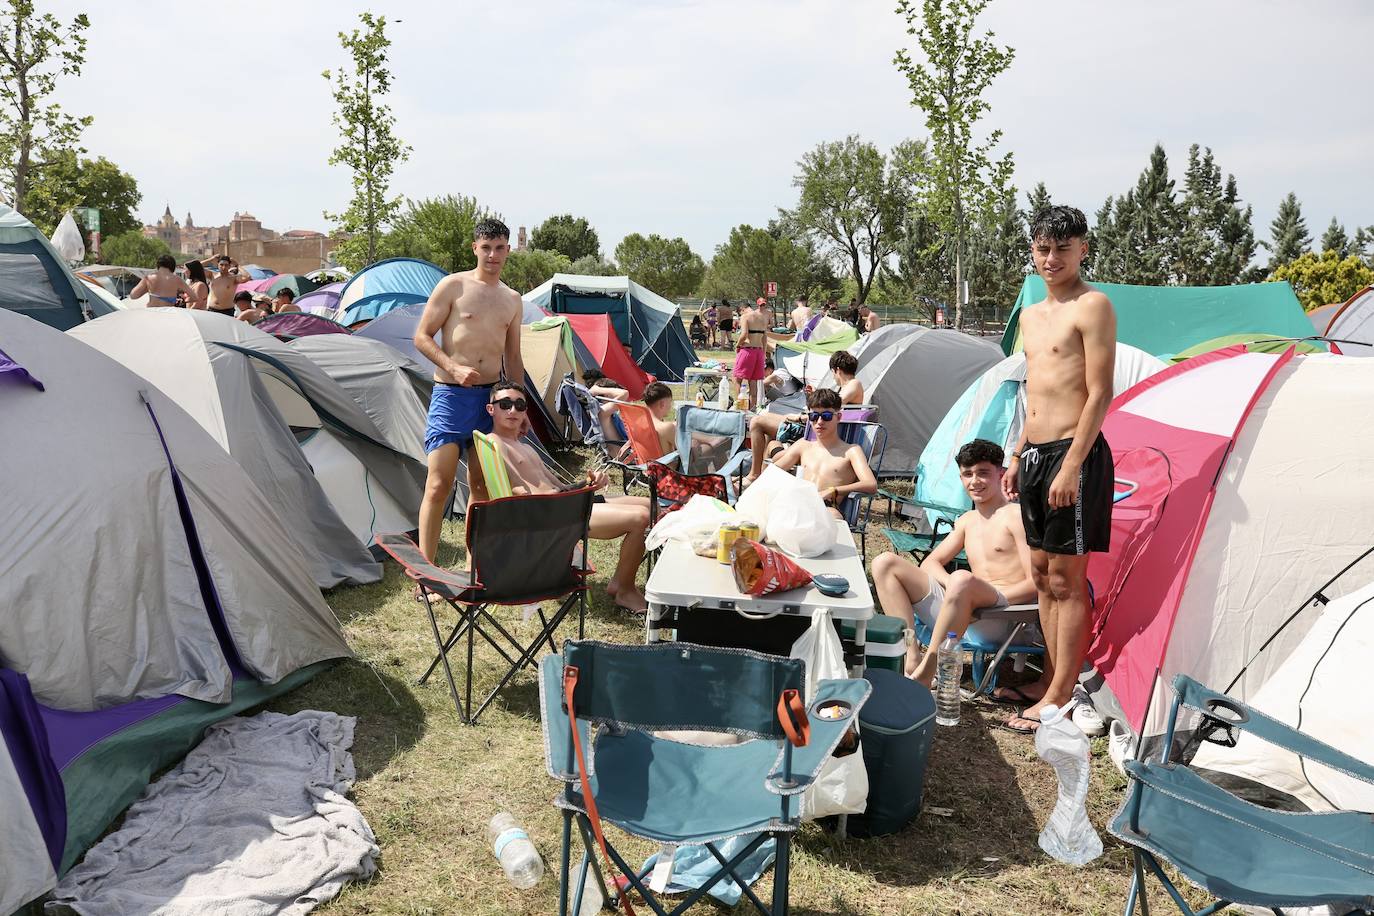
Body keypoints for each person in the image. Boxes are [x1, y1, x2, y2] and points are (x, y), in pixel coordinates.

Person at [1000, 205, 1117, 735]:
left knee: (1069, 581)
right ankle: (1050, 679)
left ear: (1083, 249)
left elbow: (1098, 393)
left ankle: (1061, 696)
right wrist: (1016, 451)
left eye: (1062, 249)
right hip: (1034, 454)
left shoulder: (1093, 307)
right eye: (1043, 249)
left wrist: (1071, 465)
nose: (1051, 259)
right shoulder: (1030, 313)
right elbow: (1037, 390)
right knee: (1044, 576)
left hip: (1076, 454)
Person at [478, 381, 653, 614]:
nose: (513, 411)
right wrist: (565, 494)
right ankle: (624, 589)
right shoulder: (494, 443)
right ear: (491, 409)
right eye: (505, 404)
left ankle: (625, 581)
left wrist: (588, 484)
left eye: (520, 405)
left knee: (652, 505)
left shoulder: (525, 446)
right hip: (552, 515)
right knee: (640, 517)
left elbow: (559, 485)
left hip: (564, 501)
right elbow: (517, 492)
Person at [872, 439, 1037, 684]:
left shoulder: (1015, 516)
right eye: (967, 474)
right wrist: (953, 590)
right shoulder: (967, 521)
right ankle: (911, 658)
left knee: (962, 579)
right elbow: (929, 563)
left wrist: (977, 600)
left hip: (1002, 616)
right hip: (964, 608)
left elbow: (1036, 583)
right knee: (885, 563)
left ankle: (926, 675)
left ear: (1000, 474)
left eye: (983, 473)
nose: (974, 481)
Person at [412, 217, 525, 565]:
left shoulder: (512, 299)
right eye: (486, 247)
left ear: (508, 250)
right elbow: (421, 336)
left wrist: (518, 407)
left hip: (489, 400)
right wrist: (453, 367)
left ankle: (475, 566)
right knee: (437, 485)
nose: (493, 255)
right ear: (475, 248)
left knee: (481, 485)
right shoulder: (452, 287)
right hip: (450, 396)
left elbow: (514, 356)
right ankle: (425, 571)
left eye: (500, 248)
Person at [742, 350, 863, 485]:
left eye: (833, 373)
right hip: (815, 428)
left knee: (757, 422)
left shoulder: (854, 384)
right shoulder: (848, 386)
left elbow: (830, 407)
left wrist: (799, 418)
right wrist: (812, 398)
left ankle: (755, 474)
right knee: (766, 424)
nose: (834, 377)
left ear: (837, 370)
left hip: (814, 431)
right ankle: (761, 476)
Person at [769, 388, 876, 519]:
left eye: (826, 416)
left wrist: (833, 491)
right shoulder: (803, 445)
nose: (819, 422)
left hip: (825, 508)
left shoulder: (851, 451)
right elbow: (773, 472)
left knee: (834, 516)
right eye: (814, 416)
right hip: (797, 501)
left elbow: (871, 484)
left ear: (839, 417)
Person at [731, 299, 769, 410]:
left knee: (737, 379)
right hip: (759, 352)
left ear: (742, 309)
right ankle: (752, 409)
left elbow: (744, 334)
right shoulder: (762, 317)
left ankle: (737, 406)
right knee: (753, 382)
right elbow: (765, 337)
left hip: (747, 350)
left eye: (739, 313)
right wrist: (764, 352)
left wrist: (737, 345)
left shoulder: (745, 317)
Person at [641, 381, 677, 455]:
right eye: (670, 402)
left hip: (646, 465)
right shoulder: (666, 428)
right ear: (662, 404)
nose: (670, 406)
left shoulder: (638, 423)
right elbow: (686, 450)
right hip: (668, 465)